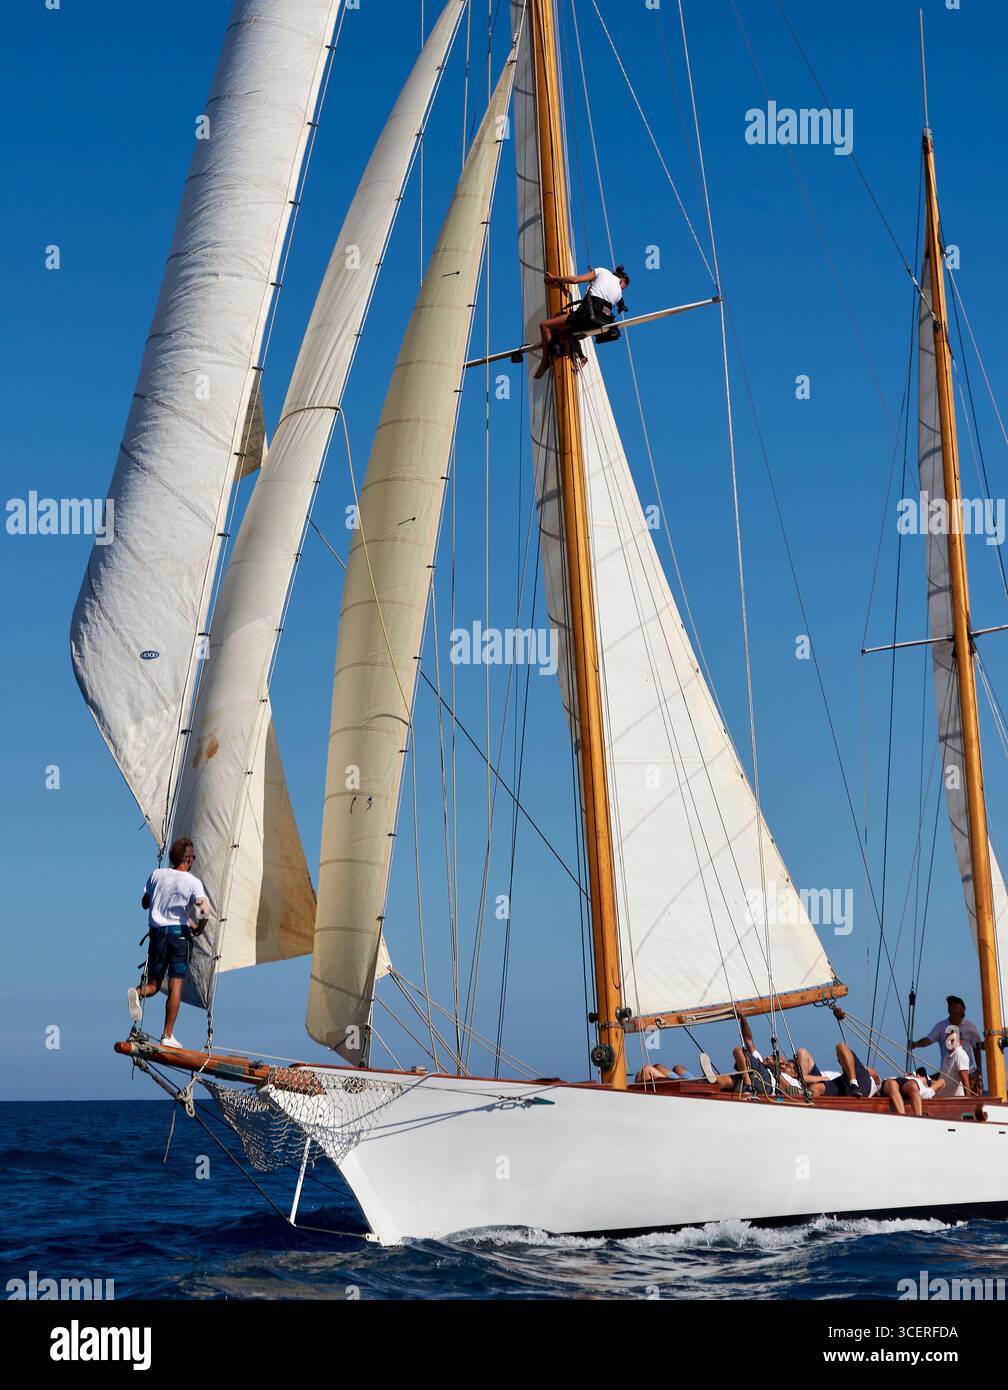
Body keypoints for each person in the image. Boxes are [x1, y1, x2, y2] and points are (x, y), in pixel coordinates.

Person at [127, 837, 209, 1049]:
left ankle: (137, 993)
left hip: (157, 935)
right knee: (175, 987)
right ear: (189, 859)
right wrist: (199, 927)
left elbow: (145, 903)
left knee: (153, 985)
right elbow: (203, 909)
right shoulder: (193, 882)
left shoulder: (157, 875)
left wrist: (159, 898)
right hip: (178, 937)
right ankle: (167, 1035)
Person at [533, 264, 630, 379]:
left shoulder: (602, 271)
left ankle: (545, 362)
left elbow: (575, 280)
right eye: (623, 287)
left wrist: (555, 279)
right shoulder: (619, 294)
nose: (621, 289)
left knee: (545, 325)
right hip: (600, 322)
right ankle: (581, 356)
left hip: (586, 316)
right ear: (622, 280)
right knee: (570, 329)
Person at [909, 995, 983, 1084]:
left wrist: (979, 1069)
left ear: (963, 1009)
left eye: (955, 1006)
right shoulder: (941, 1026)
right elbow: (929, 1040)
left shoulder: (970, 1027)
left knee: (969, 1093)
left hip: (968, 1072)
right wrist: (916, 1044)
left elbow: (976, 1048)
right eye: (950, 1006)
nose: (952, 1009)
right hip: (948, 1072)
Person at [937, 1023, 973, 1099]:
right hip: (940, 1099)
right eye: (947, 1039)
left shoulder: (960, 1054)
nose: (948, 1042)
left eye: (952, 1040)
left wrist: (969, 1102)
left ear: (960, 1041)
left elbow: (965, 1079)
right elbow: (944, 1076)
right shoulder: (947, 1057)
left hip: (952, 1101)